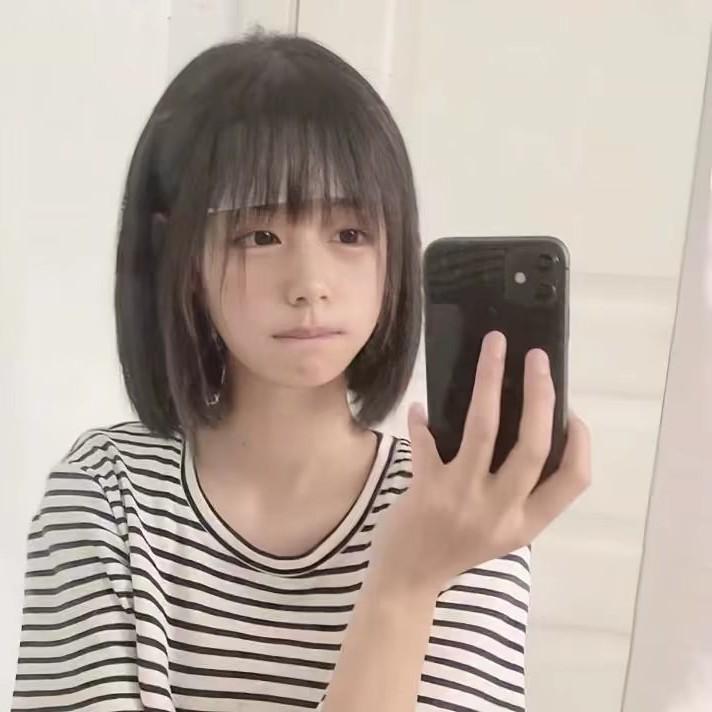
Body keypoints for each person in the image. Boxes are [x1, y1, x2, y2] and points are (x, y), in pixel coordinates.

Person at [12, 32, 590, 712]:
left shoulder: (457, 509)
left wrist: (408, 578)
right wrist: (405, 585)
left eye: (350, 234)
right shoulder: (106, 496)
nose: (311, 283)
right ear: (181, 254)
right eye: (260, 236)